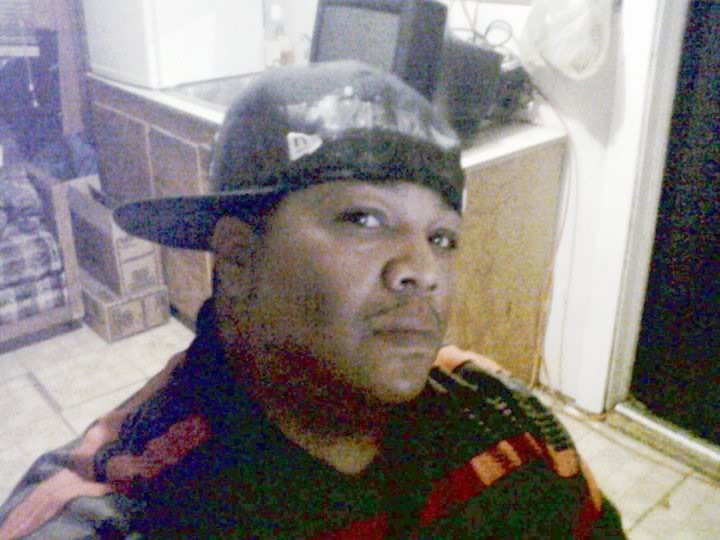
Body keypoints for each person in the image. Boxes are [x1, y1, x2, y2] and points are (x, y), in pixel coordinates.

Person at [0, 61, 625, 538]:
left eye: (442, 237)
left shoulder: (508, 431)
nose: (422, 270)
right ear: (238, 257)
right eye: (364, 218)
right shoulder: (123, 508)